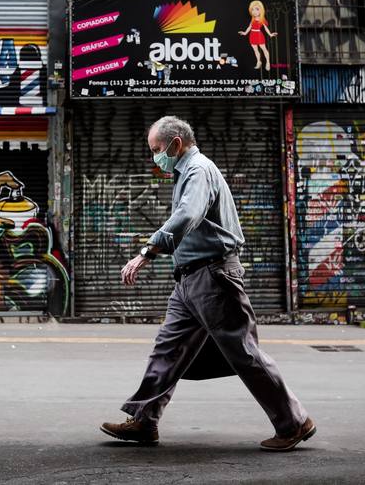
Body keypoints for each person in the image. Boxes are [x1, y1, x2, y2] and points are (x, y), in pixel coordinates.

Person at [100, 116, 314, 452]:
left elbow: (187, 215)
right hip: (189, 279)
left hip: (212, 276)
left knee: (244, 352)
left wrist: (146, 252)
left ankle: (294, 422)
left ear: (176, 144)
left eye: (157, 150)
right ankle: (144, 420)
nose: (155, 157)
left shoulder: (198, 170)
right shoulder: (186, 172)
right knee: (167, 349)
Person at [239, 0, 277, 71]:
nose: (254, 11)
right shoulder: (252, 19)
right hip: (252, 35)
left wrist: (270, 34)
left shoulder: (262, 19)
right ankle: (258, 62)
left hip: (259, 35)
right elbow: (249, 27)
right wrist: (245, 33)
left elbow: (266, 28)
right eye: (252, 9)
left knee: (264, 49)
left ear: (261, 10)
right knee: (255, 50)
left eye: (257, 9)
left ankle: (268, 62)